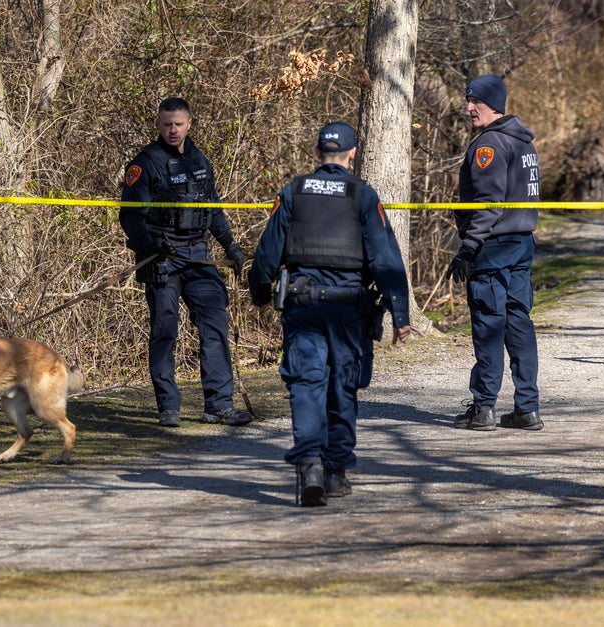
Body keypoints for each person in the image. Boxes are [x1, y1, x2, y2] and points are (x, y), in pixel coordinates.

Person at [248, 122, 412, 507]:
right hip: (348, 312)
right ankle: (336, 472)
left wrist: (258, 293)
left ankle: (309, 465)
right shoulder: (362, 195)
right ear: (352, 154)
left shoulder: (293, 192)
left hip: (304, 309)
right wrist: (399, 314)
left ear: (317, 151)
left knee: (307, 385)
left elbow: (268, 253)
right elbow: (386, 261)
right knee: (343, 386)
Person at [120, 97, 252, 428]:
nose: (173, 130)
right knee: (165, 328)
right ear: (158, 125)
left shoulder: (199, 161)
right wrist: (151, 245)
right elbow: (130, 217)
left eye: (178, 123)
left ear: (189, 123)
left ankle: (219, 406)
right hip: (161, 256)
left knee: (214, 326)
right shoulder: (144, 163)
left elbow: (213, 211)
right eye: (166, 124)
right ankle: (168, 407)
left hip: (198, 255)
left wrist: (231, 246)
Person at [446, 73, 543, 432]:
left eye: (477, 102)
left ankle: (484, 407)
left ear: (494, 104)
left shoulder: (490, 145)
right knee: (519, 325)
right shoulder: (523, 142)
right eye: (468, 101)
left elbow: (489, 203)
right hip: (521, 245)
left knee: (489, 325)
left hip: (493, 247)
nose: (469, 108)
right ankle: (527, 408)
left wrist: (468, 248)